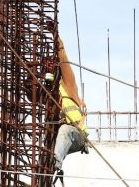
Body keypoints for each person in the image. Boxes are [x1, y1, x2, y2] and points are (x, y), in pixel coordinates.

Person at [51, 41, 89, 184]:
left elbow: (64, 62)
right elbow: (32, 96)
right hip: (62, 139)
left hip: (78, 136)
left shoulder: (67, 85)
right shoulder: (50, 93)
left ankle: (56, 164)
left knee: (65, 129)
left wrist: (58, 42)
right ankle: (51, 166)